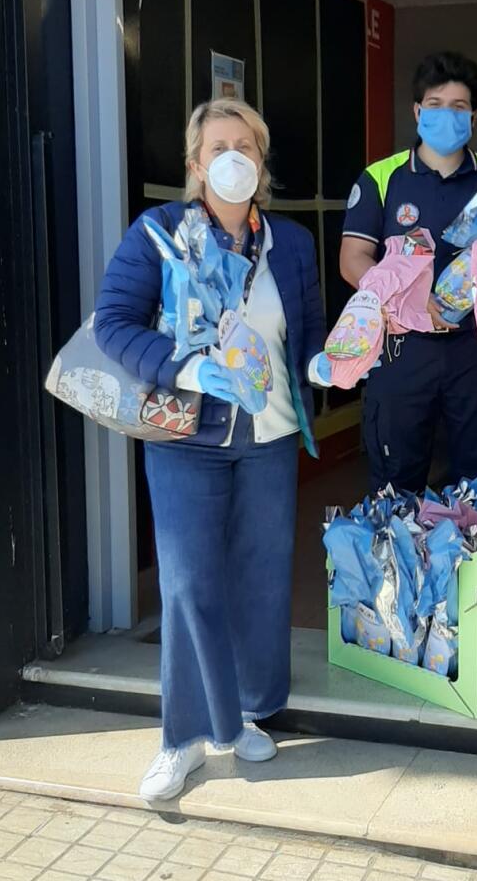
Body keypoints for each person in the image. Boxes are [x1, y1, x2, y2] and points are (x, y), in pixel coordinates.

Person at [94, 99, 325, 802]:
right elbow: (113, 323)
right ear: (196, 165)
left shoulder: (292, 243)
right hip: (188, 437)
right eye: (218, 146)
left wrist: (325, 364)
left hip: (269, 437)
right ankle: (183, 739)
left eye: (245, 146)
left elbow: (308, 330)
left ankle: (245, 713)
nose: (233, 157)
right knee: (190, 584)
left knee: (261, 580)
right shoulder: (158, 234)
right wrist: (187, 368)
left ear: (261, 161)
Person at [340, 50, 477, 492]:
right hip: (402, 347)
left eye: (459, 106)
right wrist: (411, 302)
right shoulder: (381, 178)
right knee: (395, 482)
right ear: (417, 112)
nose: (446, 116)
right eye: (435, 105)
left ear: (474, 117)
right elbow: (353, 258)